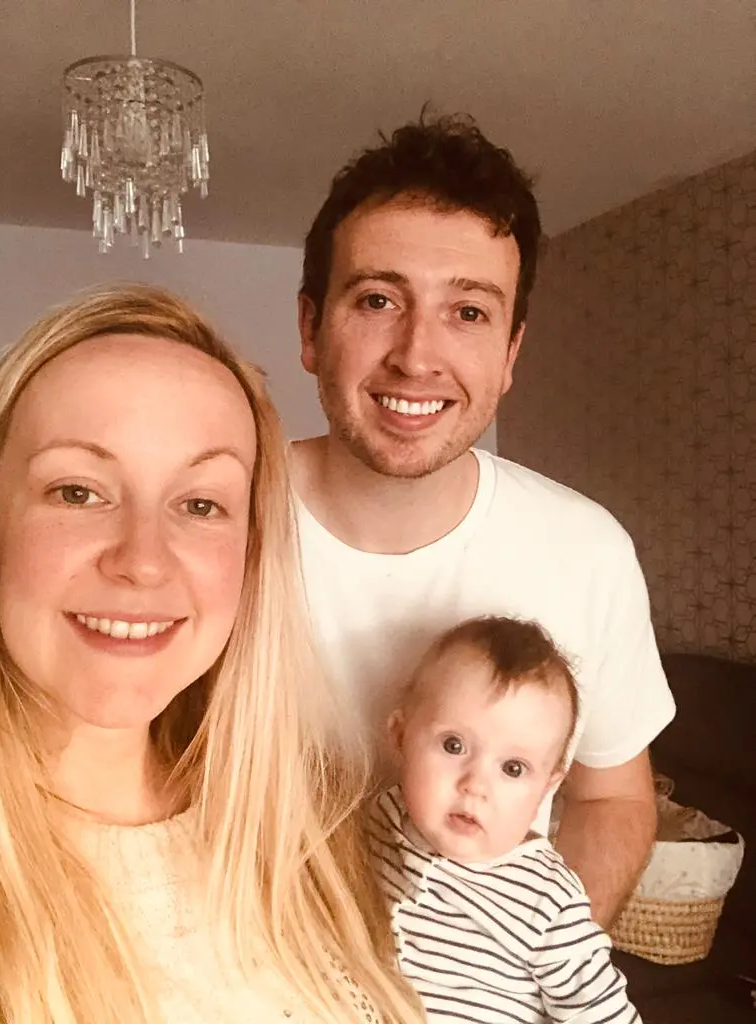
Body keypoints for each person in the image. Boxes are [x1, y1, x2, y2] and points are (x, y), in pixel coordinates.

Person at [0, 284, 423, 1024]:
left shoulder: (308, 836)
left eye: (200, 504)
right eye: (77, 492)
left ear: (251, 554)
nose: (143, 560)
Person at [290, 112, 676, 928]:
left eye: (467, 312)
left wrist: (524, 968)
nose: (416, 356)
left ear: (509, 354)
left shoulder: (585, 552)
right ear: (311, 329)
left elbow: (610, 795)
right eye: (377, 299)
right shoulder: (208, 524)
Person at [369, 616, 641, 1023]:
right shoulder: (379, 820)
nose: (475, 785)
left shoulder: (548, 898)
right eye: (454, 745)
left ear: (547, 786)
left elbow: (602, 1013)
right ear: (399, 736)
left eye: (513, 768)